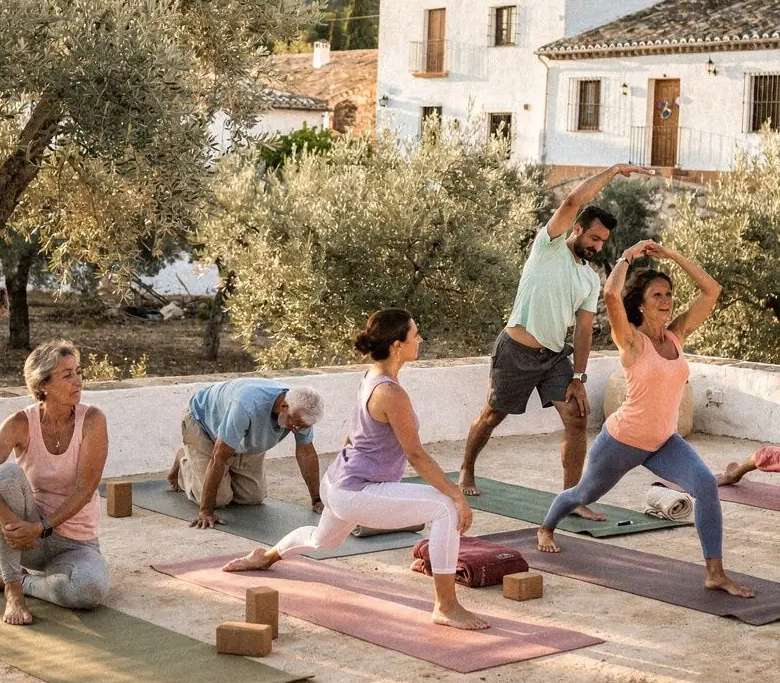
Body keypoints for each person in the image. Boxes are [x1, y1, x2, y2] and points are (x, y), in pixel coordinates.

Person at [222, 308, 490, 631]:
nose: (420, 338)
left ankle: (265, 557)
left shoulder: (372, 378)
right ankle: (446, 606)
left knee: (323, 541)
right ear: (397, 345)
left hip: (337, 483)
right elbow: (416, 455)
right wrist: (456, 494)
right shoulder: (390, 392)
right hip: (356, 491)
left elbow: (353, 434)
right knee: (446, 508)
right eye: (414, 333)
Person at [537, 243, 754, 599]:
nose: (666, 300)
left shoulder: (676, 334)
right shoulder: (632, 341)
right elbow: (610, 294)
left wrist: (676, 257)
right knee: (584, 493)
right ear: (640, 303)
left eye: (669, 293)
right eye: (657, 294)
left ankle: (714, 573)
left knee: (706, 485)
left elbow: (712, 290)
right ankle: (547, 527)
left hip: (664, 442)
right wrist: (628, 256)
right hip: (622, 441)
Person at [460, 162, 652, 506]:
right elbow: (571, 201)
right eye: (594, 237)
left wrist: (578, 375)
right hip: (515, 349)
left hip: (553, 358)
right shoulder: (548, 245)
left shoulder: (589, 278)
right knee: (493, 415)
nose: (597, 246)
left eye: (603, 242)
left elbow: (582, 331)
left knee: (576, 420)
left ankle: (572, 498)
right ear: (577, 229)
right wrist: (612, 172)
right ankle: (466, 469)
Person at [0, 340, 110, 626]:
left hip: (75, 544)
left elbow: (85, 489)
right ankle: (13, 589)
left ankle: (17, 582)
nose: (78, 381)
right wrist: (15, 527)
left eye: (78, 372)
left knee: (88, 591)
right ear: (43, 384)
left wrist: (41, 528)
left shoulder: (92, 420)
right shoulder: (20, 422)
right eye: (67, 375)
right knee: (4, 475)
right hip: (27, 541)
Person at [167, 378, 325, 529]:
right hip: (203, 423)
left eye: (302, 426)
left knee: (252, 497)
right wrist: (206, 511)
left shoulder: (301, 413)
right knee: (220, 499)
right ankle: (184, 459)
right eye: (294, 424)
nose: (296, 429)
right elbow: (219, 457)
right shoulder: (246, 405)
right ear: (284, 406)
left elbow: (306, 453)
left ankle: (226, 465)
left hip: (243, 437)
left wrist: (317, 499)